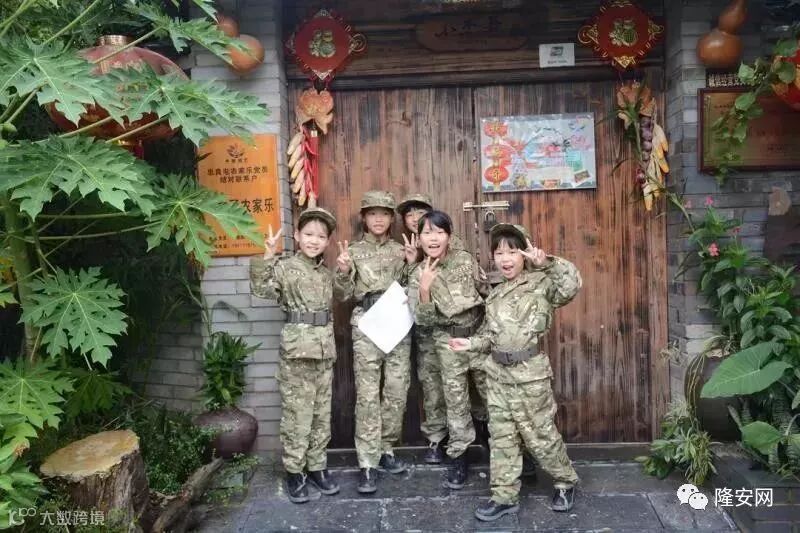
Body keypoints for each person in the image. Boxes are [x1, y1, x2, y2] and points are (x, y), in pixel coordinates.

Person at [449, 223, 581, 521]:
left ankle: (565, 481)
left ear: (524, 254)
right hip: (497, 376)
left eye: (512, 251)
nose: (505, 259)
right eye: (499, 253)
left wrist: (547, 263)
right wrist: (469, 343)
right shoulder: (495, 295)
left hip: (529, 376)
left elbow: (572, 285)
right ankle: (504, 496)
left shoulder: (543, 283)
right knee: (502, 438)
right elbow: (489, 336)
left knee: (540, 434)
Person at [249, 207, 343, 504]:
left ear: (327, 242)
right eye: (309, 234)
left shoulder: (325, 273)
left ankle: (317, 467)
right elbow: (261, 290)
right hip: (298, 352)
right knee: (297, 416)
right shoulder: (285, 267)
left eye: (321, 236)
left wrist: (344, 271)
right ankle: (295, 471)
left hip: (323, 352)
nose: (314, 240)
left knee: (320, 415)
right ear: (297, 236)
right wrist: (267, 256)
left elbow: (341, 297)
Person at [334, 190, 416, 494]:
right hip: (366, 325)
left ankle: (386, 449)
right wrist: (343, 272)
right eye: (372, 213)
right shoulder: (353, 252)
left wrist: (411, 263)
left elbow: (414, 287)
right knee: (368, 396)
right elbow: (342, 295)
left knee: (396, 390)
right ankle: (367, 462)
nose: (378, 219)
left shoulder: (401, 250)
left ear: (391, 218)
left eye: (384, 214)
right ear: (364, 218)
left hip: (397, 323)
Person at [407, 210, 489, 490]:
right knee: (456, 403)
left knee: (490, 396)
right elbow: (423, 322)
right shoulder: (417, 274)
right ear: (419, 239)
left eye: (439, 232)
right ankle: (459, 456)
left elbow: (486, 292)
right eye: (427, 233)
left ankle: (504, 450)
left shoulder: (464, 260)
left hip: (477, 337)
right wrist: (425, 291)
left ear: (449, 237)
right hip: (448, 343)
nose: (433, 238)